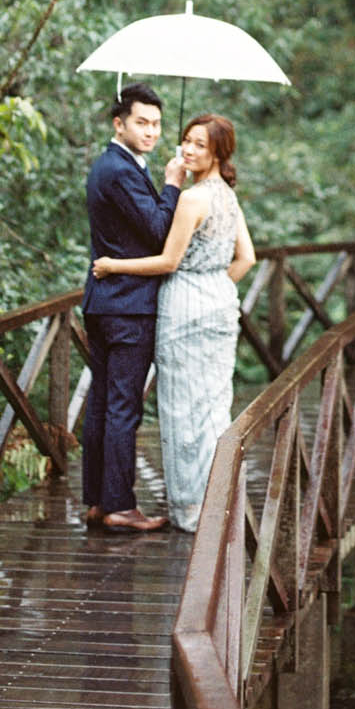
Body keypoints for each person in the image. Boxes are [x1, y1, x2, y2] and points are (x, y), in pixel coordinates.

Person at [92, 111, 256, 532]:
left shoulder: (192, 198)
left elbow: (169, 260)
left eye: (199, 144)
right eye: (186, 140)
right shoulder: (229, 197)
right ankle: (219, 497)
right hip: (220, 300)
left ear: (218, 152)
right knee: (214, 402)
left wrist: (114, 264)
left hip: (185, 304)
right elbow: (246, 260)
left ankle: (191, 508)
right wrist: (214, 289)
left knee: (185, 408)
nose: (188, 148)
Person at [80, 82, 186, 534]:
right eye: (142, 122)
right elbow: (161, 229)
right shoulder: (121, 170)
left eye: (157, 124)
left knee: (103, 402)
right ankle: (120, 506)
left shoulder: (111, 164)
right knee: (122, 407)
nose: (151, 132)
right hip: (126, 307)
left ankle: (98, 502)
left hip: (105, 301)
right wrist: (172, 184)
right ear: (118, 123)